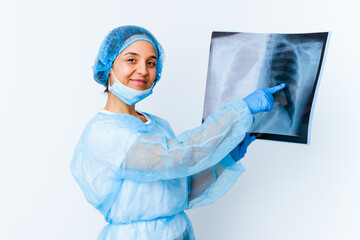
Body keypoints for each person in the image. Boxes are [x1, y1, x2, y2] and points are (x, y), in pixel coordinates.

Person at [70, 25, 286, 240]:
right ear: (108, 66)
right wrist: (240, 111)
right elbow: (177, 157)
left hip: (179, 231)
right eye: (131, 59)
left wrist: (225, 159)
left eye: (151, 63)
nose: (144, 70)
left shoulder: (156, 124)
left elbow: (182, 189)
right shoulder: (104, 133)